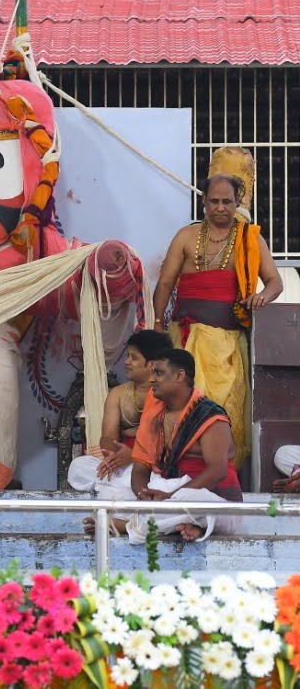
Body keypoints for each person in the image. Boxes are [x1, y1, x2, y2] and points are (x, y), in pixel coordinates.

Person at [152, 157, 282, 470]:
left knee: (223, 412)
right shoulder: (186, 236)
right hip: (185, 341)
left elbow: (275, 282)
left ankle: (219, 479)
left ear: (238, 202)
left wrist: (261, 297)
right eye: (214, 202)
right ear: (203, 202)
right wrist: (156, 324)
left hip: (228, 345)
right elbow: (166, 283)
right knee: (180, 410)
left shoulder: (250, 239)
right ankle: (179, 475)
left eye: (227, 201)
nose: (220, 208)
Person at [93, 348, 242, 543]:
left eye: (159, 373)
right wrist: (144, 496)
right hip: (169, 494)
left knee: (190, 502)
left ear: (180, 376)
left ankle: (127, 525)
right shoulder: (155, 414)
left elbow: (218, 471)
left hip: (215, 502)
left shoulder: (210, 416)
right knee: (111, 493)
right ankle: (183, 524)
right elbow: (140, 470)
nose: (152, 379)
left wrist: (170, 498)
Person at [69, 329, 172, 497]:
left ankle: (120, 490)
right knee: (78, 467)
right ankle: (125, 489)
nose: (127, 362)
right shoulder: (117, 394)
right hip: (122, 466)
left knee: (160, 477)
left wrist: (134, 455)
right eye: (128, 356)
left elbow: (170, 440)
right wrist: (114, 459)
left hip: (153, 465)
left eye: (134, 357)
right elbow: (108, 437)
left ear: (152, 364)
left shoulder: (169, 394)